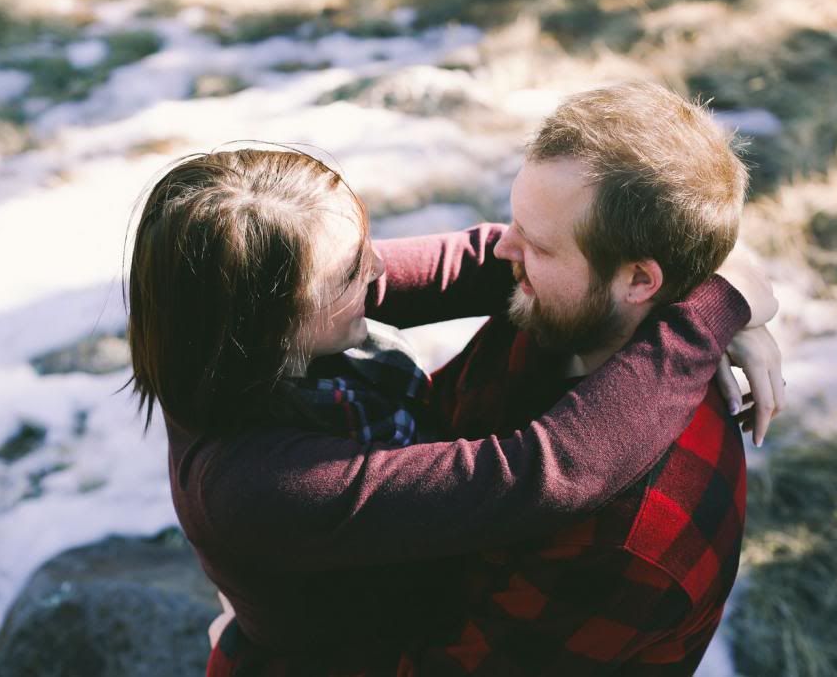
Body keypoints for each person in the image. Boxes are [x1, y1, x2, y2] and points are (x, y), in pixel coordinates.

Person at [126, 83, 780, 676]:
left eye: (534, 241)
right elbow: (541, 471)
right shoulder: (261, 487)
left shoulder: (216, 344)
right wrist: (712, 307)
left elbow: (469, 261)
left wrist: (703, 257)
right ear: (276, 322)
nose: (382, 272)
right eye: (355, 271)